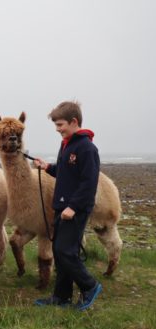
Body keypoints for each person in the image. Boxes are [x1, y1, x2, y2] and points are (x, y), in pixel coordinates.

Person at [33, 101, 103, 311]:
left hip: (74, 210)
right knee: (58, 249)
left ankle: (89, 286)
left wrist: (73, 207)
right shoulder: (67, 144)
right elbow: (65, 172)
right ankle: (61, 297)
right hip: (61, 208)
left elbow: (89, 182)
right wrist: (47, 167)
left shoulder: (87, 148)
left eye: (60, 125)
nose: (58, 129)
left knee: (66, 252)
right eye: (56, 125)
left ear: (74, 121)